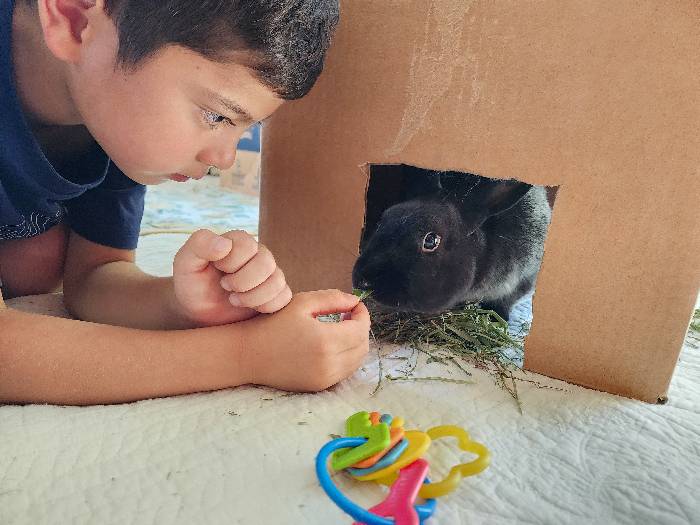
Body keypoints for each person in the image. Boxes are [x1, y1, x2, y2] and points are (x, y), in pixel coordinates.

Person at [0, 0, 370, 405]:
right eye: (216, 117)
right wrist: (247, 354)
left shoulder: (110, 103)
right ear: (75, 17)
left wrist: (181, 305)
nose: (223, 159)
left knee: (37, 262)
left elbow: (94, 277)